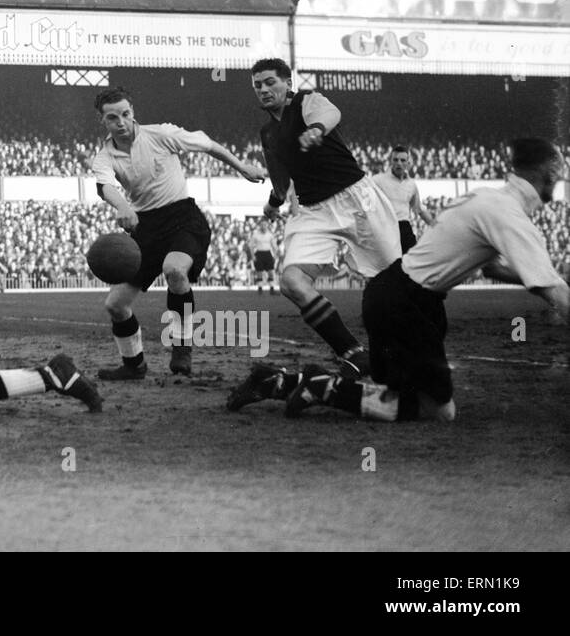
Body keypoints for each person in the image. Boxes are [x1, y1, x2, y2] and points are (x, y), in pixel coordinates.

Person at [230, 138, 569, 422]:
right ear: (549, 173)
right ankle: (323, 388)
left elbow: (493, 269)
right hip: (407, 303)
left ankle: (276, 382)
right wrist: (550, 279)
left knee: (404, 393)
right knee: (437, 410)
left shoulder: (487, 197)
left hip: (398, 293)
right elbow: (551, 291)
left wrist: (542, 275)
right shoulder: (507, 213)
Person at [89, 86, 267, 380]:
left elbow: (208, 145)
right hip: (145, 228)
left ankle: (182, 346)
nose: (120, 122)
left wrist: (241, 166)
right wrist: (122, 205)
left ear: (133, 112)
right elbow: (105, 185)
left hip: (182, 218)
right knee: (115, 305)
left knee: (174, 269)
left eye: (125, 114)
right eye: (112, 117)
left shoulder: (161, 134)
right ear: (103, 121)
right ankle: (134, 366)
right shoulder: (104, 157)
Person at [250, 58, 400, 377]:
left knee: (394, 285)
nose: (263, 89)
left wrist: (316, 129)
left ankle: (408, 352)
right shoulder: (268, 133)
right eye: (257, 85)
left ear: (287, 83)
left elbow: (331, 114)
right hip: (314, 211)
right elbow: (280, 179)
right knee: (292, 281)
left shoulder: (307, 100)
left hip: (357, 199)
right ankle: (354, 354)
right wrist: (272, 204)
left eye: (269, 82)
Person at [371, 145, 435, 252]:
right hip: (387, 228)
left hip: (404, 228)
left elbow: (419, 209)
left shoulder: (411, 184)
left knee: (412, 263)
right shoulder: (378, 181)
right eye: (395, 160)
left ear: (408, 163)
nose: (399, 163)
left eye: (402, 160)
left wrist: (435, 225)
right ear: (391, 161)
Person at [248, 220, 279, 296]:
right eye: (262, 225)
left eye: (265, 225)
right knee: (259, 272)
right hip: (259, 253)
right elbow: (251, 246)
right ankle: (260, 289)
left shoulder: (270, 235)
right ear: (260, 226)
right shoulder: (255, 235)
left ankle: (272, 289)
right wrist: (253, 256)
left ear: (267, 225)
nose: (263, 226)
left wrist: (275, 255)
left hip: (268, 253)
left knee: (271, 272)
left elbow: (274, 246)